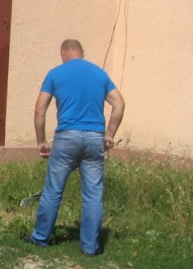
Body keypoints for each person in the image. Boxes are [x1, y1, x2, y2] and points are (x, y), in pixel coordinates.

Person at [24, 39, 125, 256]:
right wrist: (109, 135)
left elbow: (39, 110)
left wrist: (41, 140)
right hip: (94, 138)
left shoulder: (55, 74)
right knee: (92, 194)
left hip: (67, 137)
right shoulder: (99, 74)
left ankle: (40, 237)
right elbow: (119, 103)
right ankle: (89, 247)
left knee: (53, 190)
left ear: (63, 53)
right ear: (82, 52)